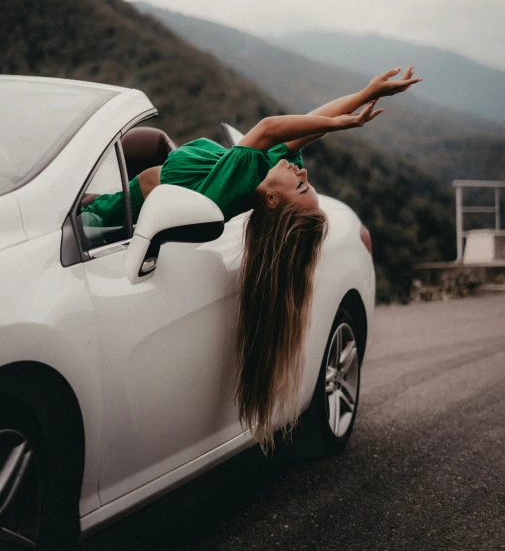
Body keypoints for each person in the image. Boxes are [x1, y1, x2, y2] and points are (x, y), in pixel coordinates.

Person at [83, 65, 422, 447]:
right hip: (106, 200)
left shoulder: (234, 187)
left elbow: (268, 127)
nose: (301, 172)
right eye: (305, 180)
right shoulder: (259, 170)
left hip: (100, 220)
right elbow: (311, 124)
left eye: (300, 184)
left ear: (273, 200)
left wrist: (346, 125)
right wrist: (366, 93)